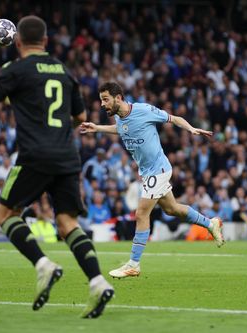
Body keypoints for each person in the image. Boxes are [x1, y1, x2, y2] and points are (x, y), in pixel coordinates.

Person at [0, 15, 114, 318]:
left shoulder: (15, 70)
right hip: (67, 156)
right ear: (47, 42)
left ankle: (43, 264)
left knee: (5, 214)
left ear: (18, 42)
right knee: (67, 225)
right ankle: (98, 281)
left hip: (35, 156)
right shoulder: (65, 72)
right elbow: (79, 118)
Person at [79, 82, 224, 279]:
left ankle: (133, 264)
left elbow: (174, 118)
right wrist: (97, 128)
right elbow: (121, 129)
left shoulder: (144, 110)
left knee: (141, 214)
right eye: (101, 100)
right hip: (148, 172)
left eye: (105, 99)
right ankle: (211, 224)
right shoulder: (120, 118)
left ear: (118, 98)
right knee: (172, 209)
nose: (102, 104)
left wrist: (191, 129)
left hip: (159, 170)